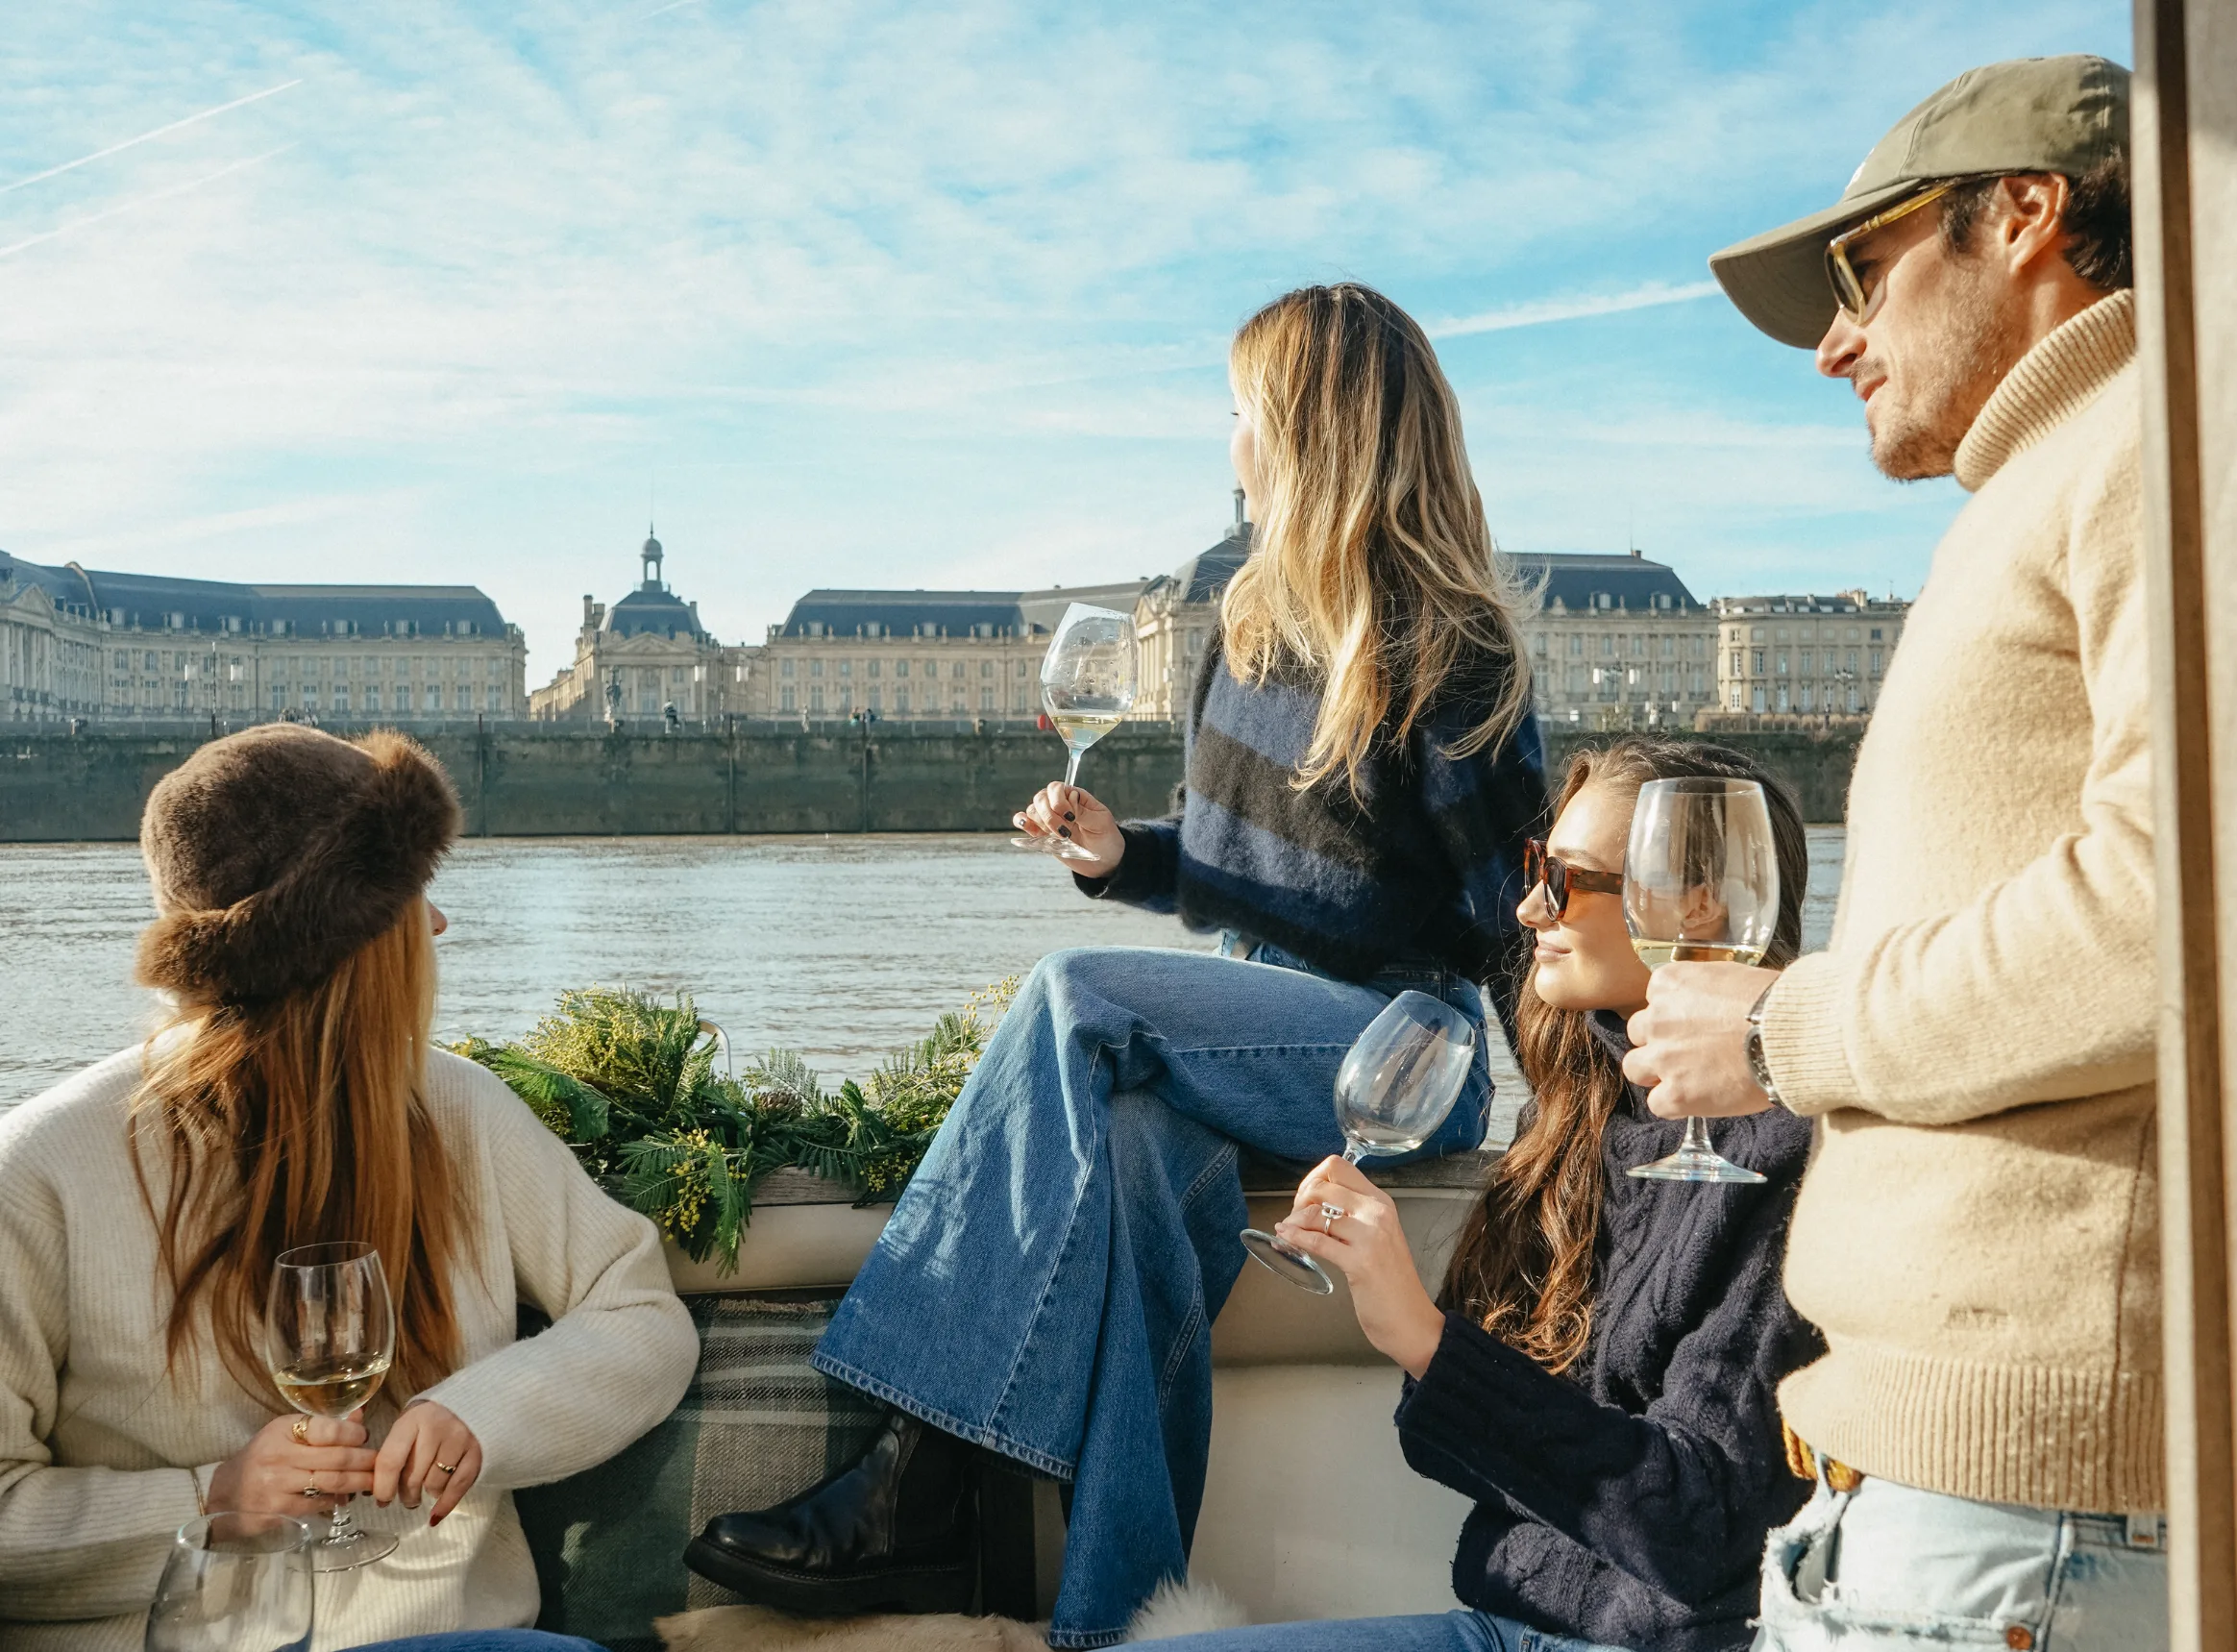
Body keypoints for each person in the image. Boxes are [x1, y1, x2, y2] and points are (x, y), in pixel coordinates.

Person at [687, 284, 1548, 1646]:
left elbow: (1521, 911)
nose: (1230, 443)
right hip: (1260, 1020)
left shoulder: (1450, 640)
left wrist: (1581, 1123)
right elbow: (1233, 869)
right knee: (1139, 1153)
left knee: (1074, 995)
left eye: (1243, 413)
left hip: (1401, 1043)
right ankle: (1115, 1622)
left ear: (1309, 428)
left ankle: (917, 1470)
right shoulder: (1250, 626)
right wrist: (1120, 856)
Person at [1635, 55, 2164, 1648]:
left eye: (1863, 271)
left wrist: (1786, 1025)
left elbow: (2184, 914)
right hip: (1944, 1499)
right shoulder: (2057, 478)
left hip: (2030, 1514)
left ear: (2024, 216)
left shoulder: (2149, 443)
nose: (1833, 341)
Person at [0, 724, 701, 1652]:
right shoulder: (42, 1170)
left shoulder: (462, 1109)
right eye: (412, 895)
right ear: (343, 939)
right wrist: (214, 1499)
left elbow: (639, 1308)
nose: (438, 925)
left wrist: (481, 1413)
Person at [1141, 737, 1820, 1652]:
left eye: (1568, 879)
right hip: (1508, 1624)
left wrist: (1425, 1340)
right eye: (1537, 867)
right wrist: (1427, 1336)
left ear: (1699, 902)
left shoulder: (1790, 1152)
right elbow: (1460, 1445)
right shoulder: (1586, 1114)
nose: (1530, 903)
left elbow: (1694, 1529)